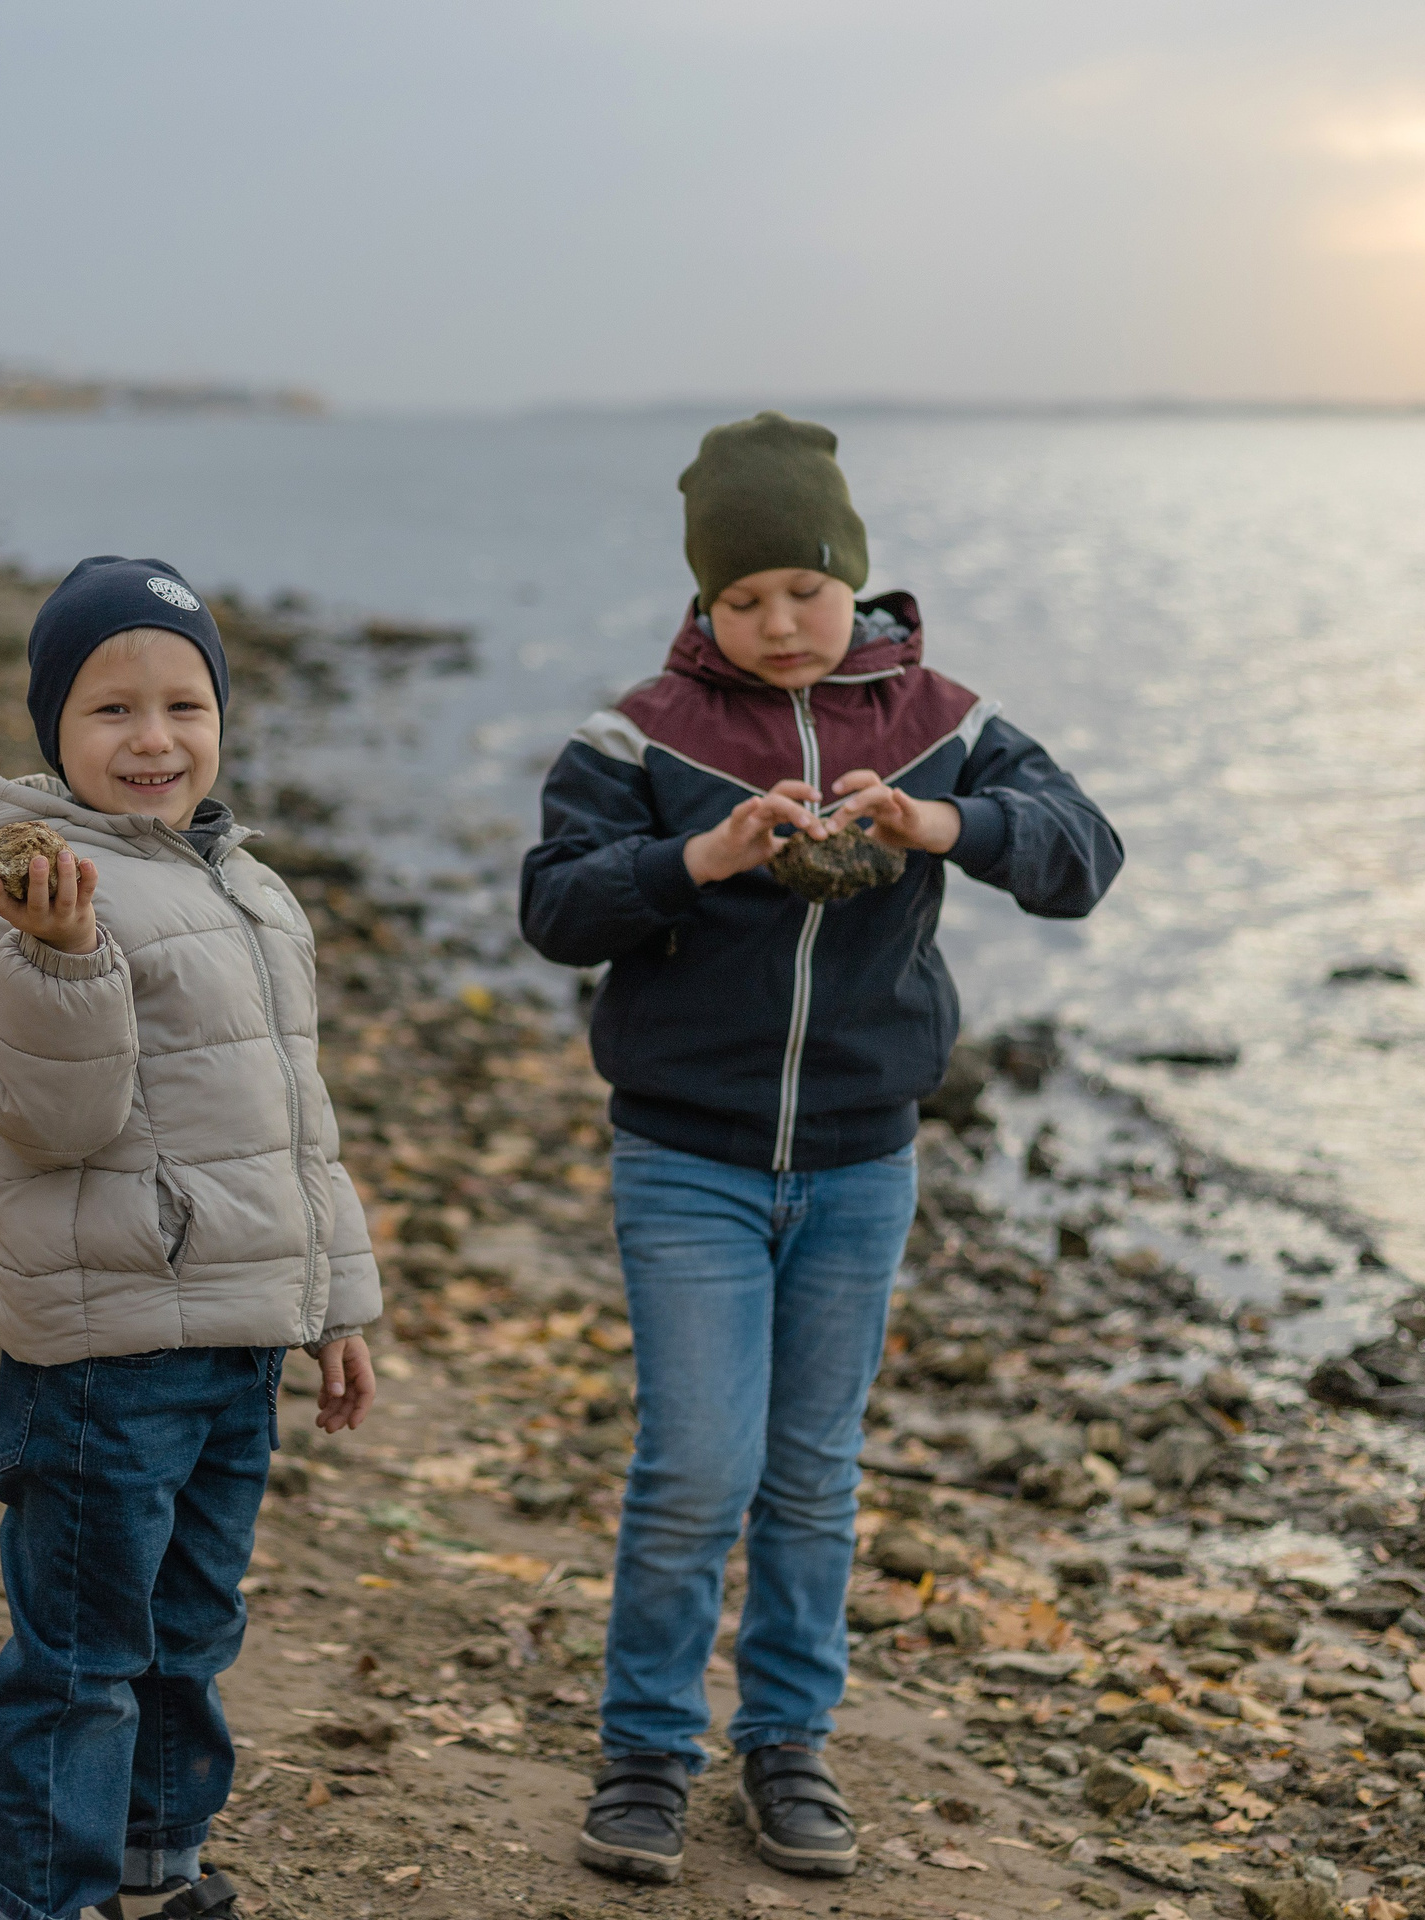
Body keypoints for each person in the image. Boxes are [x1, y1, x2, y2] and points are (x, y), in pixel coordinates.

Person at [519, 413, 1122, 1884]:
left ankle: (787, 1747)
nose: (779, 624)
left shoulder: (948, 720)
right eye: (742, 600)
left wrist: (940, 822)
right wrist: (698, 857)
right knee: (695, 1469)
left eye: (803, 587)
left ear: (852, 575)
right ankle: (646, 1756)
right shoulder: (642, 732)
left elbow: (1081, 858)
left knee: (811, 1475)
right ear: (703, 607)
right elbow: (555, 911)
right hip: (688, 1159)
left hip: (863, 1159)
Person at [0, 558, 383, 1920]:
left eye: (184, 704)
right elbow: (54, 1120)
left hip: (239, 1340)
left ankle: (155, 1858)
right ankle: (43, 1898)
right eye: (110, 709)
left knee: (189, 1633)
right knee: (81, 1655)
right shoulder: (15, 894)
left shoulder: (248, 887)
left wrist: (334, 1302)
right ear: (53, 732)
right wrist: (62, 963)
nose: (152, 738)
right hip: (105, 1352)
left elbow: (294, 1126)